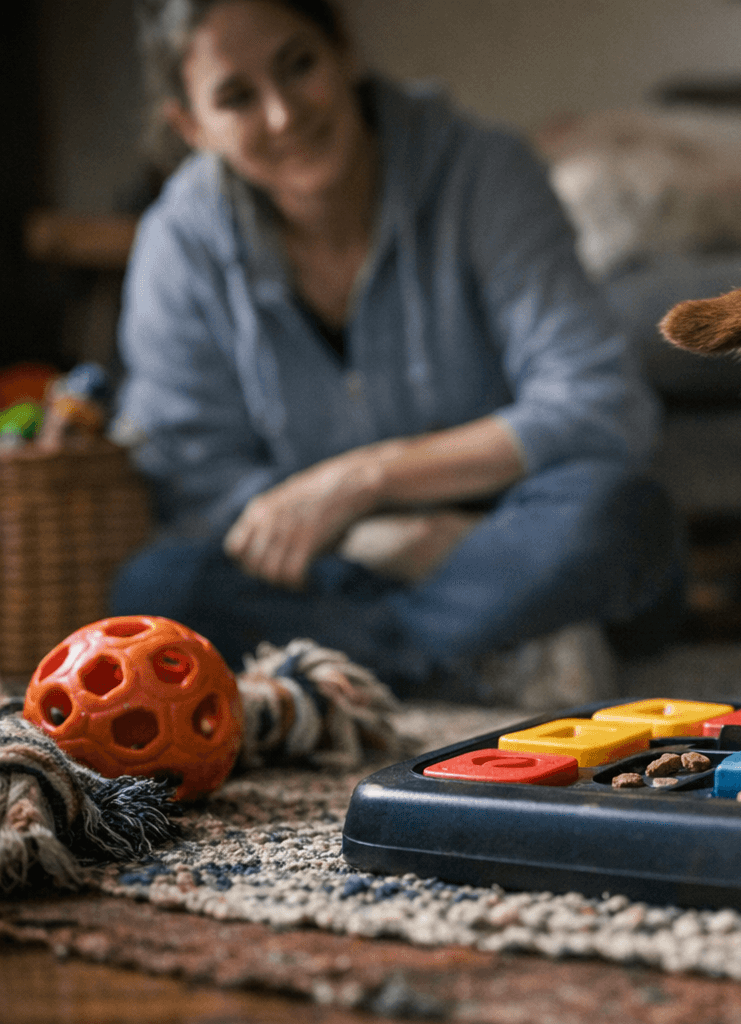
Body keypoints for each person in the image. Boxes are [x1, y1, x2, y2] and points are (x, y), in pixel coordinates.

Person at [109, 0, 685, 701]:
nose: (284, 115)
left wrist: (367, 479)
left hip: (500, 535)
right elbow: (196, 476)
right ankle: (489, 653)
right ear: (190, 126)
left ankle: (370, 665)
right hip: (336, 562)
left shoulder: (483, 168)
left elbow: (600, 405)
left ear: (343, 50)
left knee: (619, 517)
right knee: (154, 589)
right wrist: (373, 538)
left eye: (299, 66)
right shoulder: (177, 241)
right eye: (237, 97)